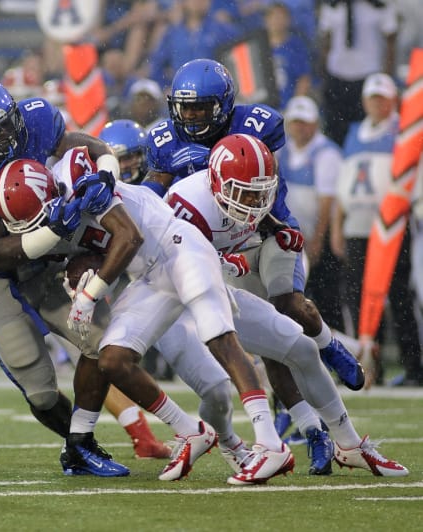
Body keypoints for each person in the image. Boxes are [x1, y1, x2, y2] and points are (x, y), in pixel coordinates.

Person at [0, 76, 186, 476]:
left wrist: (106, 177)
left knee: (103, 344)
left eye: (5, 122)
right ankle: (79, 449)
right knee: (40, 389)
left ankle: (83, 443)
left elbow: (95, 148)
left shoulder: (36, 119)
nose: (4, 135)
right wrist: (53, 231)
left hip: (52, 262)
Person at [0, 146, 298, 485]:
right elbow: (95, 244)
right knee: (111, 358)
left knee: (219, 337)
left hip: (178, 248)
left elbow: (128, 236)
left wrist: (90, 295)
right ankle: (190, 430)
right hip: (149, 277)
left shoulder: (76, 179)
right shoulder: (51, 209)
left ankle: (271, 444)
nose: (41, 230)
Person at [165, 133, 407, 477]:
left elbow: (251, 216)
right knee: (214, 389)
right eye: (244, 192)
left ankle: (349, 445)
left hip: (213, 290)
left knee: (302, 350)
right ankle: (245, 444)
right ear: (217, 182)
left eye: (258, 192)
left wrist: (274, 227)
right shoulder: (186, 202)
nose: (252, 201)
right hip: (169, 301)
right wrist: (221, 260)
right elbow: (173, 262)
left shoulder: (244, 191)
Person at [142, 58, 365, 392]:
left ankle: (328, 344)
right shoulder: (165, 140)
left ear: (223, 105)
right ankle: (294, 417)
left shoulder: (256, 125)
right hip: (224, 243)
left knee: (288, 302)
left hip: (267, 227)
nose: (190, 117)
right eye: (185, 109)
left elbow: (266, 185)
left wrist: (275, 223)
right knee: (270, 340)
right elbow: (151, 198)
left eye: (200, 109)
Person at [331, 73, 423, 387]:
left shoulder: (403, 131)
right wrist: (337, 226)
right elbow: (343, 185)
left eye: (382, 98)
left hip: (391, 225)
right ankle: (368, 368)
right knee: (358, 298)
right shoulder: (356, 132)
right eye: (372, 98)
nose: (376, 104)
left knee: (397, 296)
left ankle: (413, 368)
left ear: (393, 100)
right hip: (357, 224)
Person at [278, 95, 344, 333]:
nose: (299, 127)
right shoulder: (284, 150)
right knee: (301, 297)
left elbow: (327, 201)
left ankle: (338, 348)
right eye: (295, 122)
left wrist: (317, 239)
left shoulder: (326, 153)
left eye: (304, 122)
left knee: (326, 298)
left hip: (318, 237)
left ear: (315, 123)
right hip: (295, 238)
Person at [318, 0, 398, 146]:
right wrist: (325, 76)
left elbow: (391, 43)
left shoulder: (380, 5)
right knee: (335, 131)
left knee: (367, 128)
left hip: (368, 76)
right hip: (337, 76)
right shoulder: (332, 5)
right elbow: (326, 41)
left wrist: (386, 76)